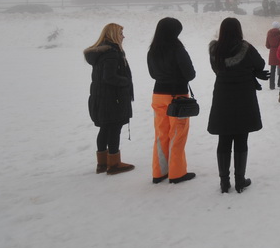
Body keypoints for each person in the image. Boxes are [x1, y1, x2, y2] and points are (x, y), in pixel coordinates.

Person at [208, 17, 269, 193]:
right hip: (243, 96)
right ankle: (240, 180)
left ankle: (224, 182)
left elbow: (216, 69)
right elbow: (260, 64)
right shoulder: (245, 48)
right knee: (241, 137)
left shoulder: (215, 50)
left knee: (224, 139)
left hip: (222, 96)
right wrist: (251, 72)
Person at [147, 17, 197, 184]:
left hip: (158, 95)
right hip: (177, 97)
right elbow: (190, 74)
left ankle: (159, 172)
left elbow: (152, 74)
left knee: (161, 134)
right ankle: (177, 173)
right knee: (177, 134)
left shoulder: (152, 50)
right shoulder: (177, 48)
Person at [83, 23, 135, 175]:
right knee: (114, 128)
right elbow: (109, 77)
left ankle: (102, 163)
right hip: (112, 98)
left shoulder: (102, 52)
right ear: (113, 35)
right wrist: (126, 81)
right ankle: (114, 164)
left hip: (102, 97)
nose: (123, 36)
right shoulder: (112, 53)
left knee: (105, 128)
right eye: (121, 34)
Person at [265, 22, 280, 90]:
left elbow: (267, 45)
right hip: (279, 52)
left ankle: (271, 85)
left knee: (272, 70)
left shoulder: (269, 33)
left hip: (272, 52)